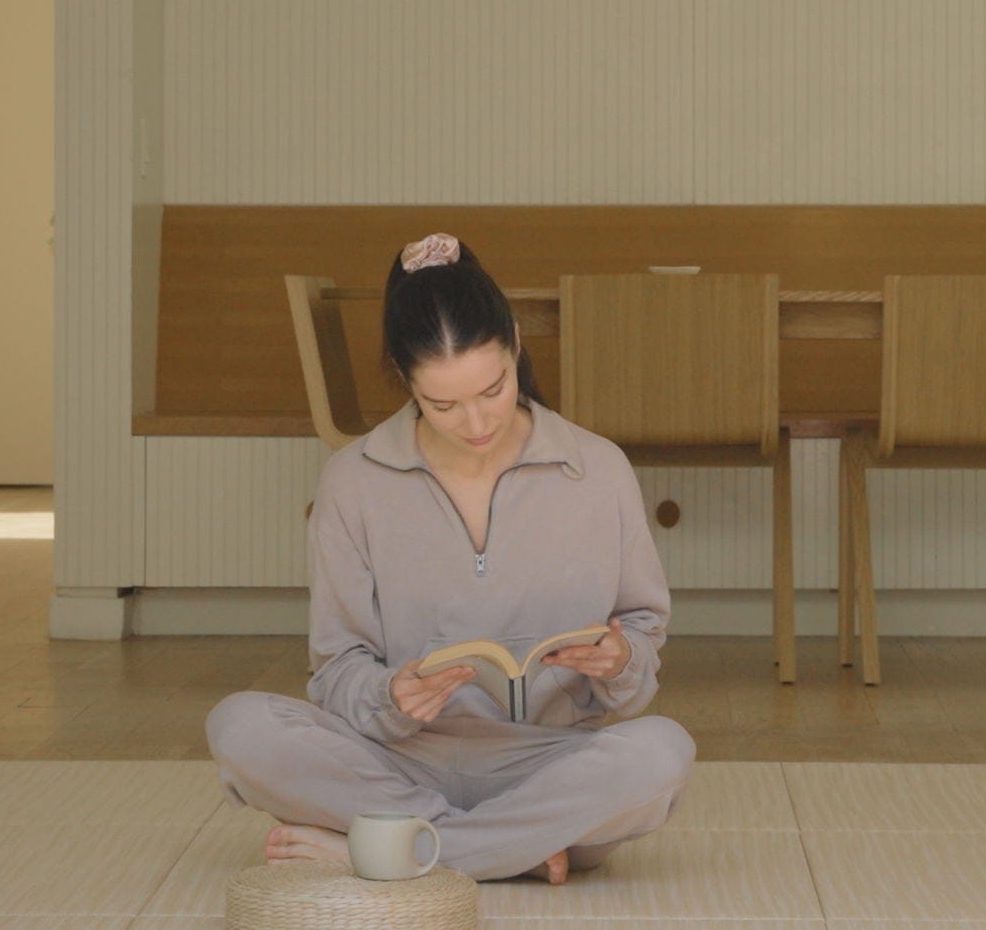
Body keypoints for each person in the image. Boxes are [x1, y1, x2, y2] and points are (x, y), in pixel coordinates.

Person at [205, 234, 692, 883]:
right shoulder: (354, 480)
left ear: (516, 344)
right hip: (398, 761)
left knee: (661, 754)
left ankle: (388, 848)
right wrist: (390, 695)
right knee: (239, 727)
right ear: (405, 382)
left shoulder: (596, 468)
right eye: (443, 404)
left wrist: (620, 657)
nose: (477, 421)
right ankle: (509, 849)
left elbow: (641, 632)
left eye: (492, 389)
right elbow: (337, 668)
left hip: (549, 764)